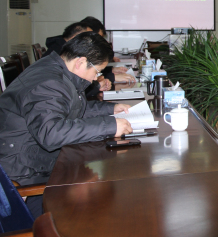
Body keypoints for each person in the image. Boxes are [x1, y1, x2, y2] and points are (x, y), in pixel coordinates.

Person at [0, 32, 133, 218]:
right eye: (97, 72)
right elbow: (51, 133)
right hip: (23, 179)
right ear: (80, 62)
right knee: (95, 210)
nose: (96, 78)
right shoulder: (49, 82)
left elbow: (71, 110)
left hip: (35, 162)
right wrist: (109, 126)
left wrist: (110, 109)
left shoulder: (57, 71)